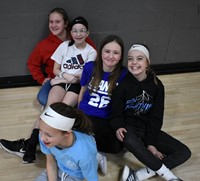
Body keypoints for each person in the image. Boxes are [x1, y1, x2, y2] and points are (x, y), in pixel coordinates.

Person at [0, 15, 97, 164]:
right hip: (62, 81)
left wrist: (64, 78)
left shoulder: (91, 52)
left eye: (82, 31)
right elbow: (56, 68)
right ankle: (30, 146)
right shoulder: (64, 46)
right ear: (71, 32)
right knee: (48, 109)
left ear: (87, 33)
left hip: (76, 85)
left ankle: (52, 148)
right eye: (75, 31)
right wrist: (64, 76)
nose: (78, 34)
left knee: (60, 111)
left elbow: (83, 76)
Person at [110, 44, 191, 181]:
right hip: (130, 130)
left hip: (148, 128)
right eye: (130, 59)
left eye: (139, 58)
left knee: (184, 152)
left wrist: (150, 143)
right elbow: (115, 114)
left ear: (147, 62)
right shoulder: (122, 85)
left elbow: (156, 117)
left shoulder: (157, 86)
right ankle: (170, 177)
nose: (134, 62)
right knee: (128, 139)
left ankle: (138, 175)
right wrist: (118, 126)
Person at [78, 34, 128, 175]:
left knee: (116, 147)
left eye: (116, 52)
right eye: (107, 51)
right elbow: (82, 91)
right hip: (86, 113)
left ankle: (87, 145)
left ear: (121, 56)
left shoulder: (124, 74)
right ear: (100, 52)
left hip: (106, 117)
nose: (110, 56)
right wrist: (78, 112)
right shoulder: (89, 67)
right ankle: (95, 154)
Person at [27, 7, 96, 106]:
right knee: (45, 100)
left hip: (78, 81)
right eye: (51, 22)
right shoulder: (44, 45)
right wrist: (42, 79)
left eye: (57, 22)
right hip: (57, 80)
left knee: (66, 106)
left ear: (66, 24)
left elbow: (92, 65)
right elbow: (32, 63)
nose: (54, 25)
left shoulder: (82, 40)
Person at [35, 102, 98, 181]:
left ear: (67, 133)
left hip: (74, 175)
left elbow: (92, 178)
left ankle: (97, 157)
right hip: (59, 167)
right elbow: (51, 162)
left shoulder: (84, 154)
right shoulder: (45, 138)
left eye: (49, 135)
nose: (42, 138)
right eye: (40, 130)